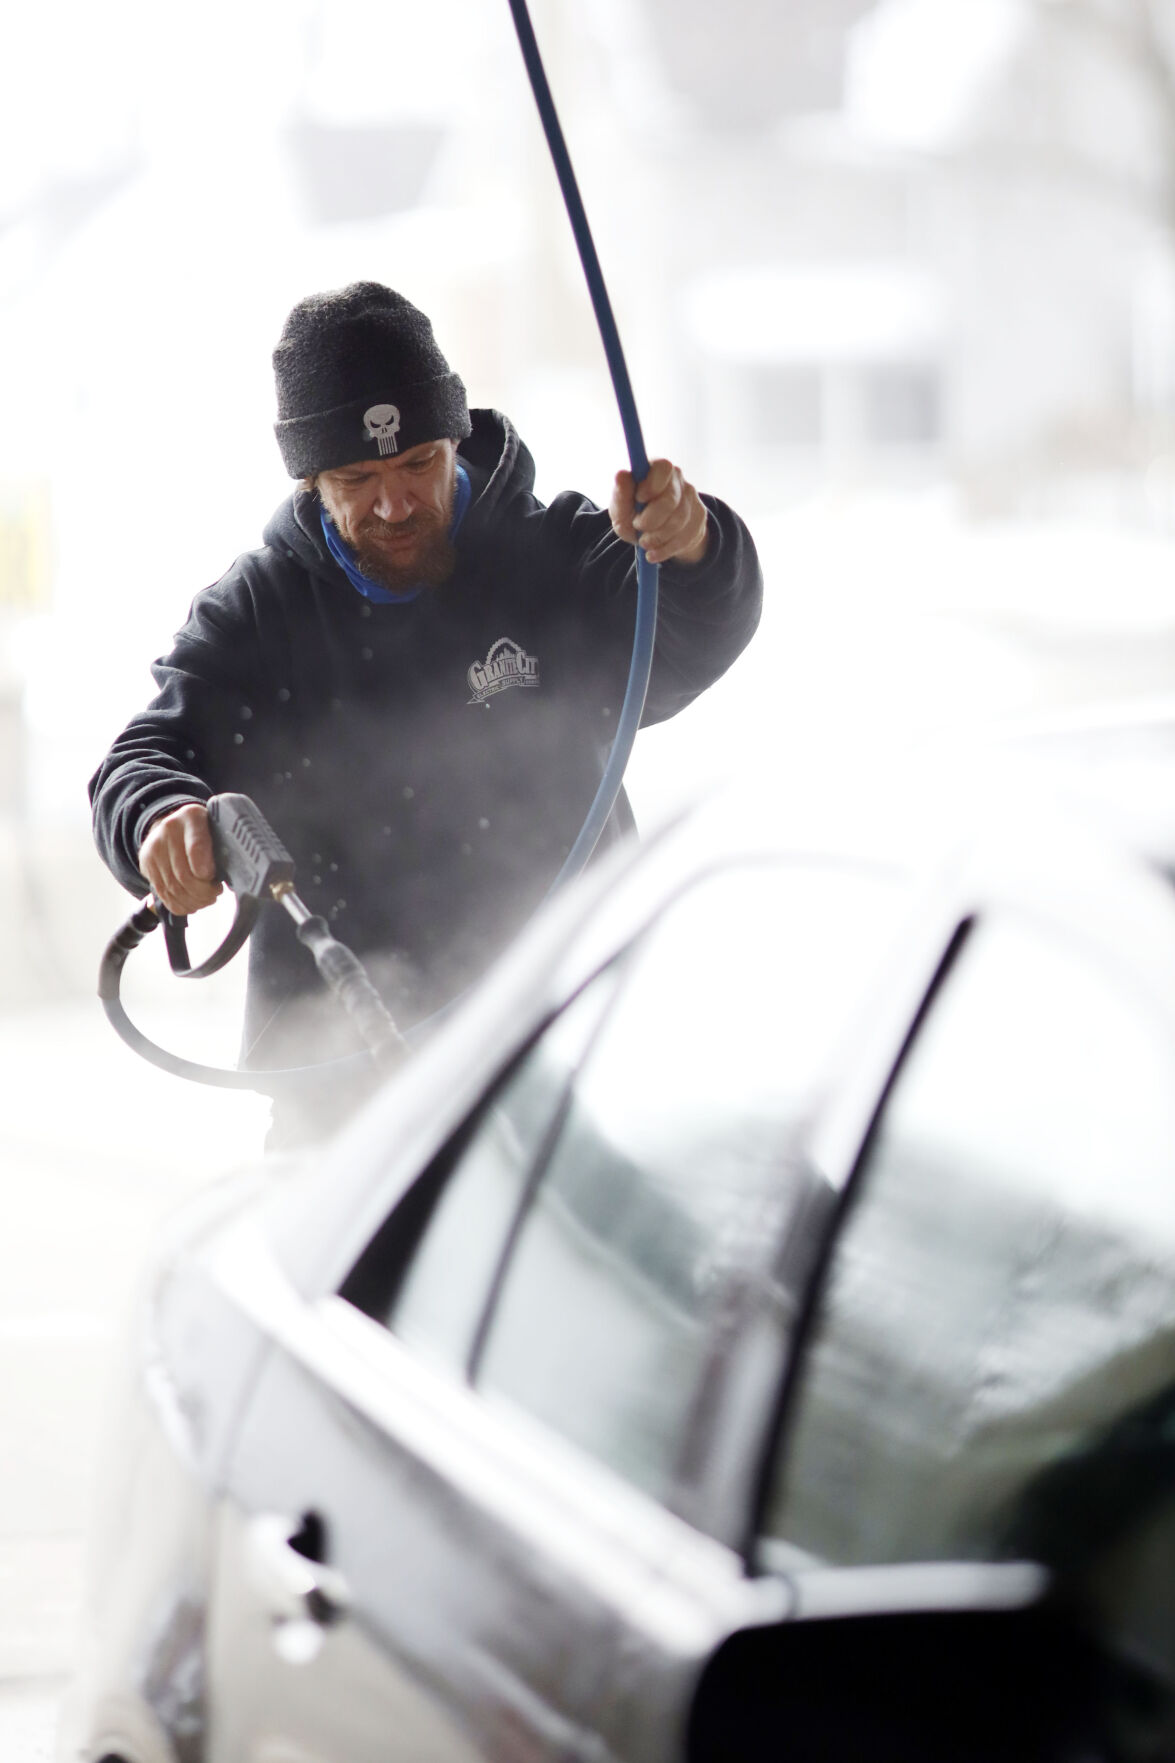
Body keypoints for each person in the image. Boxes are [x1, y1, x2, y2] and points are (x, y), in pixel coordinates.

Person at [90, 281, 763, 1142]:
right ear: (309, 480)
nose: (395, 504)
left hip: (567, 1044)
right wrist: (160, 820)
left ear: (454, 439)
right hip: (338, 1091)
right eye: (357, 477)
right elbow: (143, 755)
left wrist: (695, 544)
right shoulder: (257, 613)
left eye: (417, 464)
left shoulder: (554, 554)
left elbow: (693, 630)